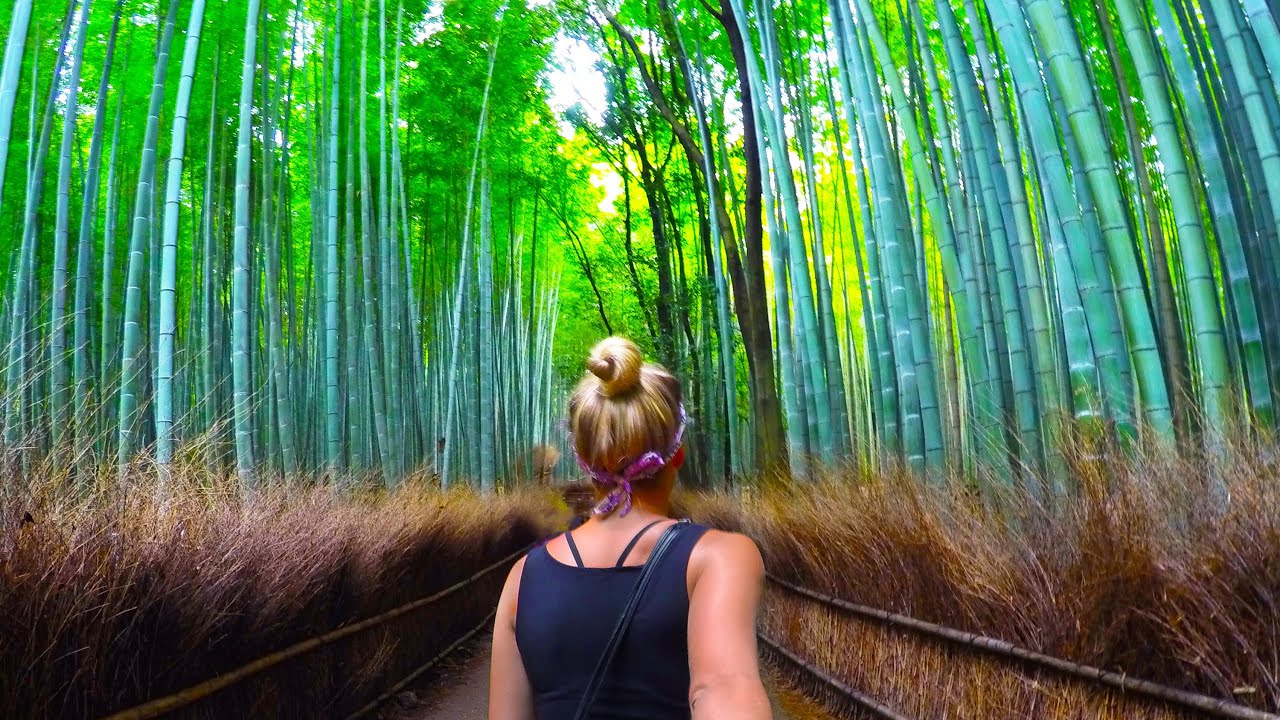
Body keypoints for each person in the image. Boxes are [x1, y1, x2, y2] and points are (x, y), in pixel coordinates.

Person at [489, 337, 772, 720]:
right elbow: (724, 688)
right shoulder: (718, 559)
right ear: (678, 454)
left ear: (584, 460)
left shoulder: (523, 578)